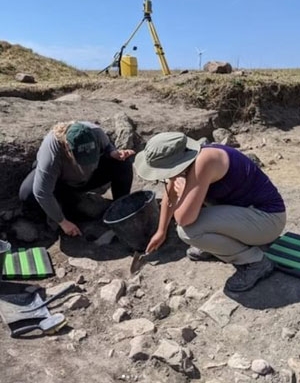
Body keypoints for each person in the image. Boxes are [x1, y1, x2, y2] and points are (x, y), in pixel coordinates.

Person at [133, 131, 286, 292]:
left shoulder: (205, 162)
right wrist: (161, 231)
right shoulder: (186, 159)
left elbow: (183, 219)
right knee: (193, 214)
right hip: (244, 215)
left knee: (189, 231)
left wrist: (183, 190)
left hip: (267, 222)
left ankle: (255, 262)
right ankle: (219, 245)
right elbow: (169, 194)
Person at [19, 121, 135, 237]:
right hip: (62, 184)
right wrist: (62, 222)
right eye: (82, 159)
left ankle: (120, 210)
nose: (87, 164)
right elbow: (42, 192)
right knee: (27, 193)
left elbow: (108, 147)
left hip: (88, 177)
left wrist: (113, 153)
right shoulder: (52, 152)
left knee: (123, 163)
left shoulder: (96, 132)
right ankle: (64, 208)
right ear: (67, 148)